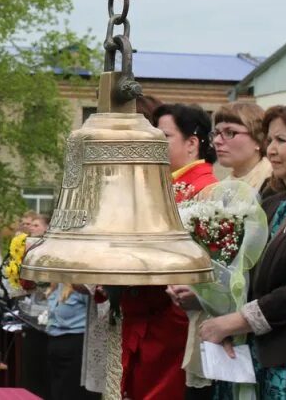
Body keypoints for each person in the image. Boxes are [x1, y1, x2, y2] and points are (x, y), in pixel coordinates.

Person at [200, 100, 286, 399]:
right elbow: (242, 273)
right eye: (269, 139)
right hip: (248, 353)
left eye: (282, 140)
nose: (271, 149)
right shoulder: (270, 203)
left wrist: (235, 321)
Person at [114, 103, 217, 399]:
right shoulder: (161, 183)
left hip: (171, 319)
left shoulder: (206, 189)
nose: (155, 143)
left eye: (165, 136)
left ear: (192, 143)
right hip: (144, 314)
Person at [46, 284, 98, 400]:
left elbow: (98, 311)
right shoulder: (56, 284)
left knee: (71, 393)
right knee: (57, 392)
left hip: (75, 345)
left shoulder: (81, 286)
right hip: (55, 343)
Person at [212, 102, 273, 195]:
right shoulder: (219, 190)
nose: (216, 140)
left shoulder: (274, 184)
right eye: (216, 133)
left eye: (229, 132)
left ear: (258, 139)